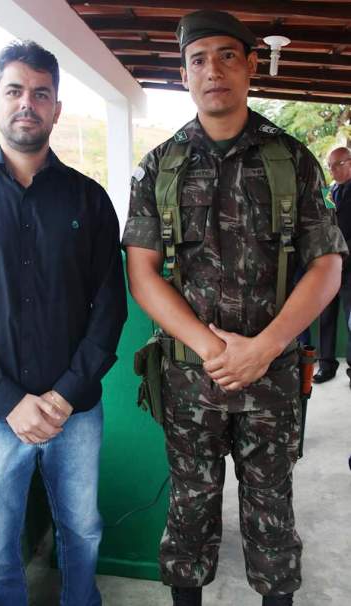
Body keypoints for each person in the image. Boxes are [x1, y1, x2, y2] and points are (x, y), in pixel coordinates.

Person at [122, 10, 348, 606]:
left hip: (270, 380)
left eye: (227, 55)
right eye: (198, 59)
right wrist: (212, 348)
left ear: (250, 65)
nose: (212, 70)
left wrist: (266, 348)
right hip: (192, 379)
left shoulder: (292, 160)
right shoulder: (159, 167)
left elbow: (328, 265)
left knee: (272, 515)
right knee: (189, 514)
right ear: (184, 72)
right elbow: (142, 274)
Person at [0, 40, 127, 606]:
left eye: (41, 94)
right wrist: (12, 401)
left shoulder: (88, 200)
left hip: (74, 416)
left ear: (57, 108)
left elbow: (109, 307)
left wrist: (65, 394)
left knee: (83, 530)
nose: (27, 104)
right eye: (15, 90)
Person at [313, 147, 351, 386]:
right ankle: (326, 366)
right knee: (326, 318)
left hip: (350, 269)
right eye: (330, 166)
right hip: (329, 268)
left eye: (337, 164)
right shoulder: (329, 191)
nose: (333, 170)